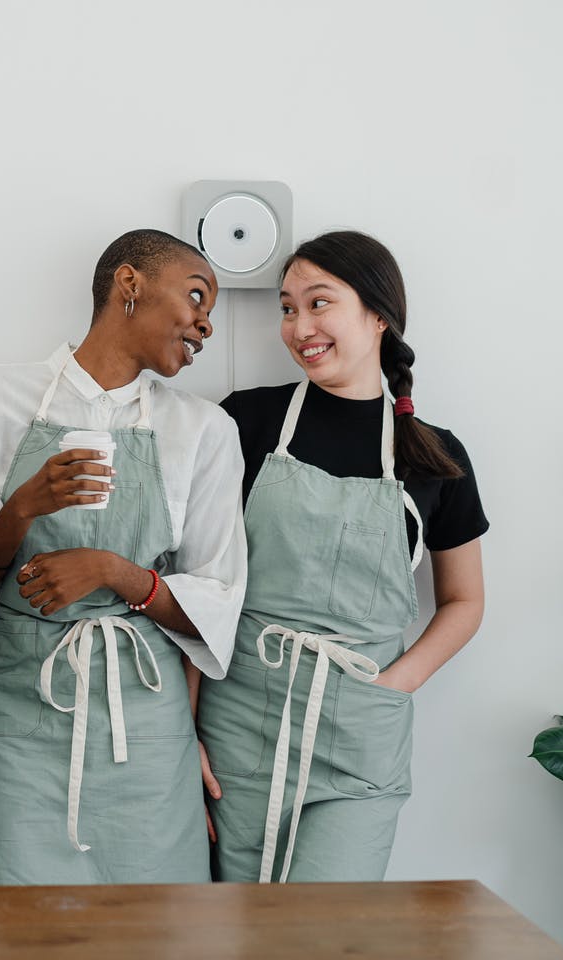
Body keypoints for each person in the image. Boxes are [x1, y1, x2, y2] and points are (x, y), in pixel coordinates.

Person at [0, 228, 246, 884]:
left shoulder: (205, 431)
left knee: (159, 933)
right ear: (129, 285)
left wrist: (117, 572)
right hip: (22, 722)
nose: (205, 325)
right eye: (197, 296)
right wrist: (21, 508)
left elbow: (218, 599)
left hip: (147, 730)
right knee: (20, 932)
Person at [197, 230, 488, 883]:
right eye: (287, 308)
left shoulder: (436, 458)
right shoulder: (244, 423)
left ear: (378, 315)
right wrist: (185, 733)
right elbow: (197, 579)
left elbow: (465, 602)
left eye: (318, 303)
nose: (299, 326)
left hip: (358, 734)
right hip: (238, 722)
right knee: (224, 930)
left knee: (331, 936)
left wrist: (392, 688)